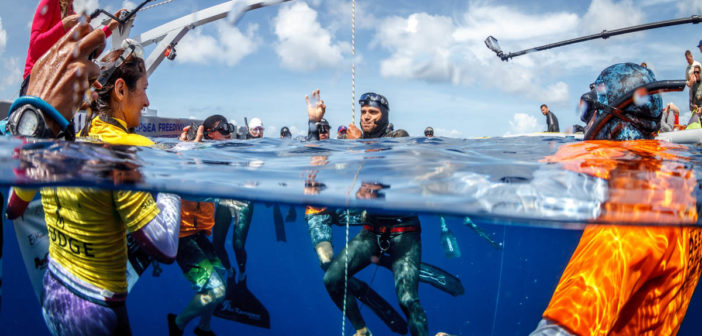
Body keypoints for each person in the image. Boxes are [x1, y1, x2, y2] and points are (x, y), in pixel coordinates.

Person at [532, 63, 701, 336]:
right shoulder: (686, 184)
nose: (585, 122)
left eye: (588, 111)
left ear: (609, 118)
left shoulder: (627, 215)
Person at [34, 42, 181, 335]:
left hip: (52, 292)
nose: (148, 101)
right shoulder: (128, 149)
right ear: (121, 90)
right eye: (145, 88)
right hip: (94, 311)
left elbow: (14, 206)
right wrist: (173, 179)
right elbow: (165, 246)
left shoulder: (65, 143)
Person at [326, 92, 429, 336]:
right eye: (363, 112)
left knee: (408, 300)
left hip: (403, 230)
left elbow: (385, 164)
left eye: (373, 112)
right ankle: (361, 329)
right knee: (332, 279)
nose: (366, 117)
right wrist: (313, 123)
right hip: (371, 230)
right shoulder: (355, 142)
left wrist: (359, 143)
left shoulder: (398, 137)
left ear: (385, 115)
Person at [169, 115, 230, 336]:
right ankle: (177, 324)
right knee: (216, 291)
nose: (229, 133)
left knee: (220, 275)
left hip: (200, 234)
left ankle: (204, 328)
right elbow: (175, 175)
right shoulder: (186, 153)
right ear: (207, 132)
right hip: (183, 237)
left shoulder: (221, 157)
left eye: (229, 129)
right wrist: (187, 151)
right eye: (224, 129)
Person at [21, 0, 121, 96]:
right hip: (36, 81)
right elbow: (35, 48)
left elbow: (83, 46)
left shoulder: (73, 15)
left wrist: (110, 27)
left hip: (60, 84)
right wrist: (65, 24)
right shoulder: (51, 2)